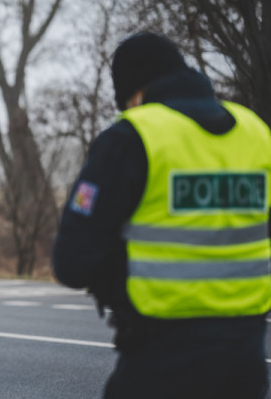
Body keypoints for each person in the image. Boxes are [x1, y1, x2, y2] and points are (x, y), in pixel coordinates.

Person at [52, 31, 271, 399]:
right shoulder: (256, 132)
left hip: (161, 361)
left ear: (135, 93)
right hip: (247, 362)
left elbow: (72, 262)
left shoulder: (133, 136)